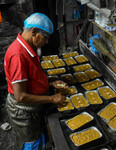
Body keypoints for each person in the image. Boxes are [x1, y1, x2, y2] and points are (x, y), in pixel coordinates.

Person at [4, 12, 68, 150]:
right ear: (34, 31)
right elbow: (20, 96)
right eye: (45, 37)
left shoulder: (28, 48)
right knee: (32, 142)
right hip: (24, 112)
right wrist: (52, 98)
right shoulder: (18, 55)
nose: (46, 41)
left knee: (39, 137)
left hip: (33, 108)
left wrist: (50, 83)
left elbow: (32, 77)